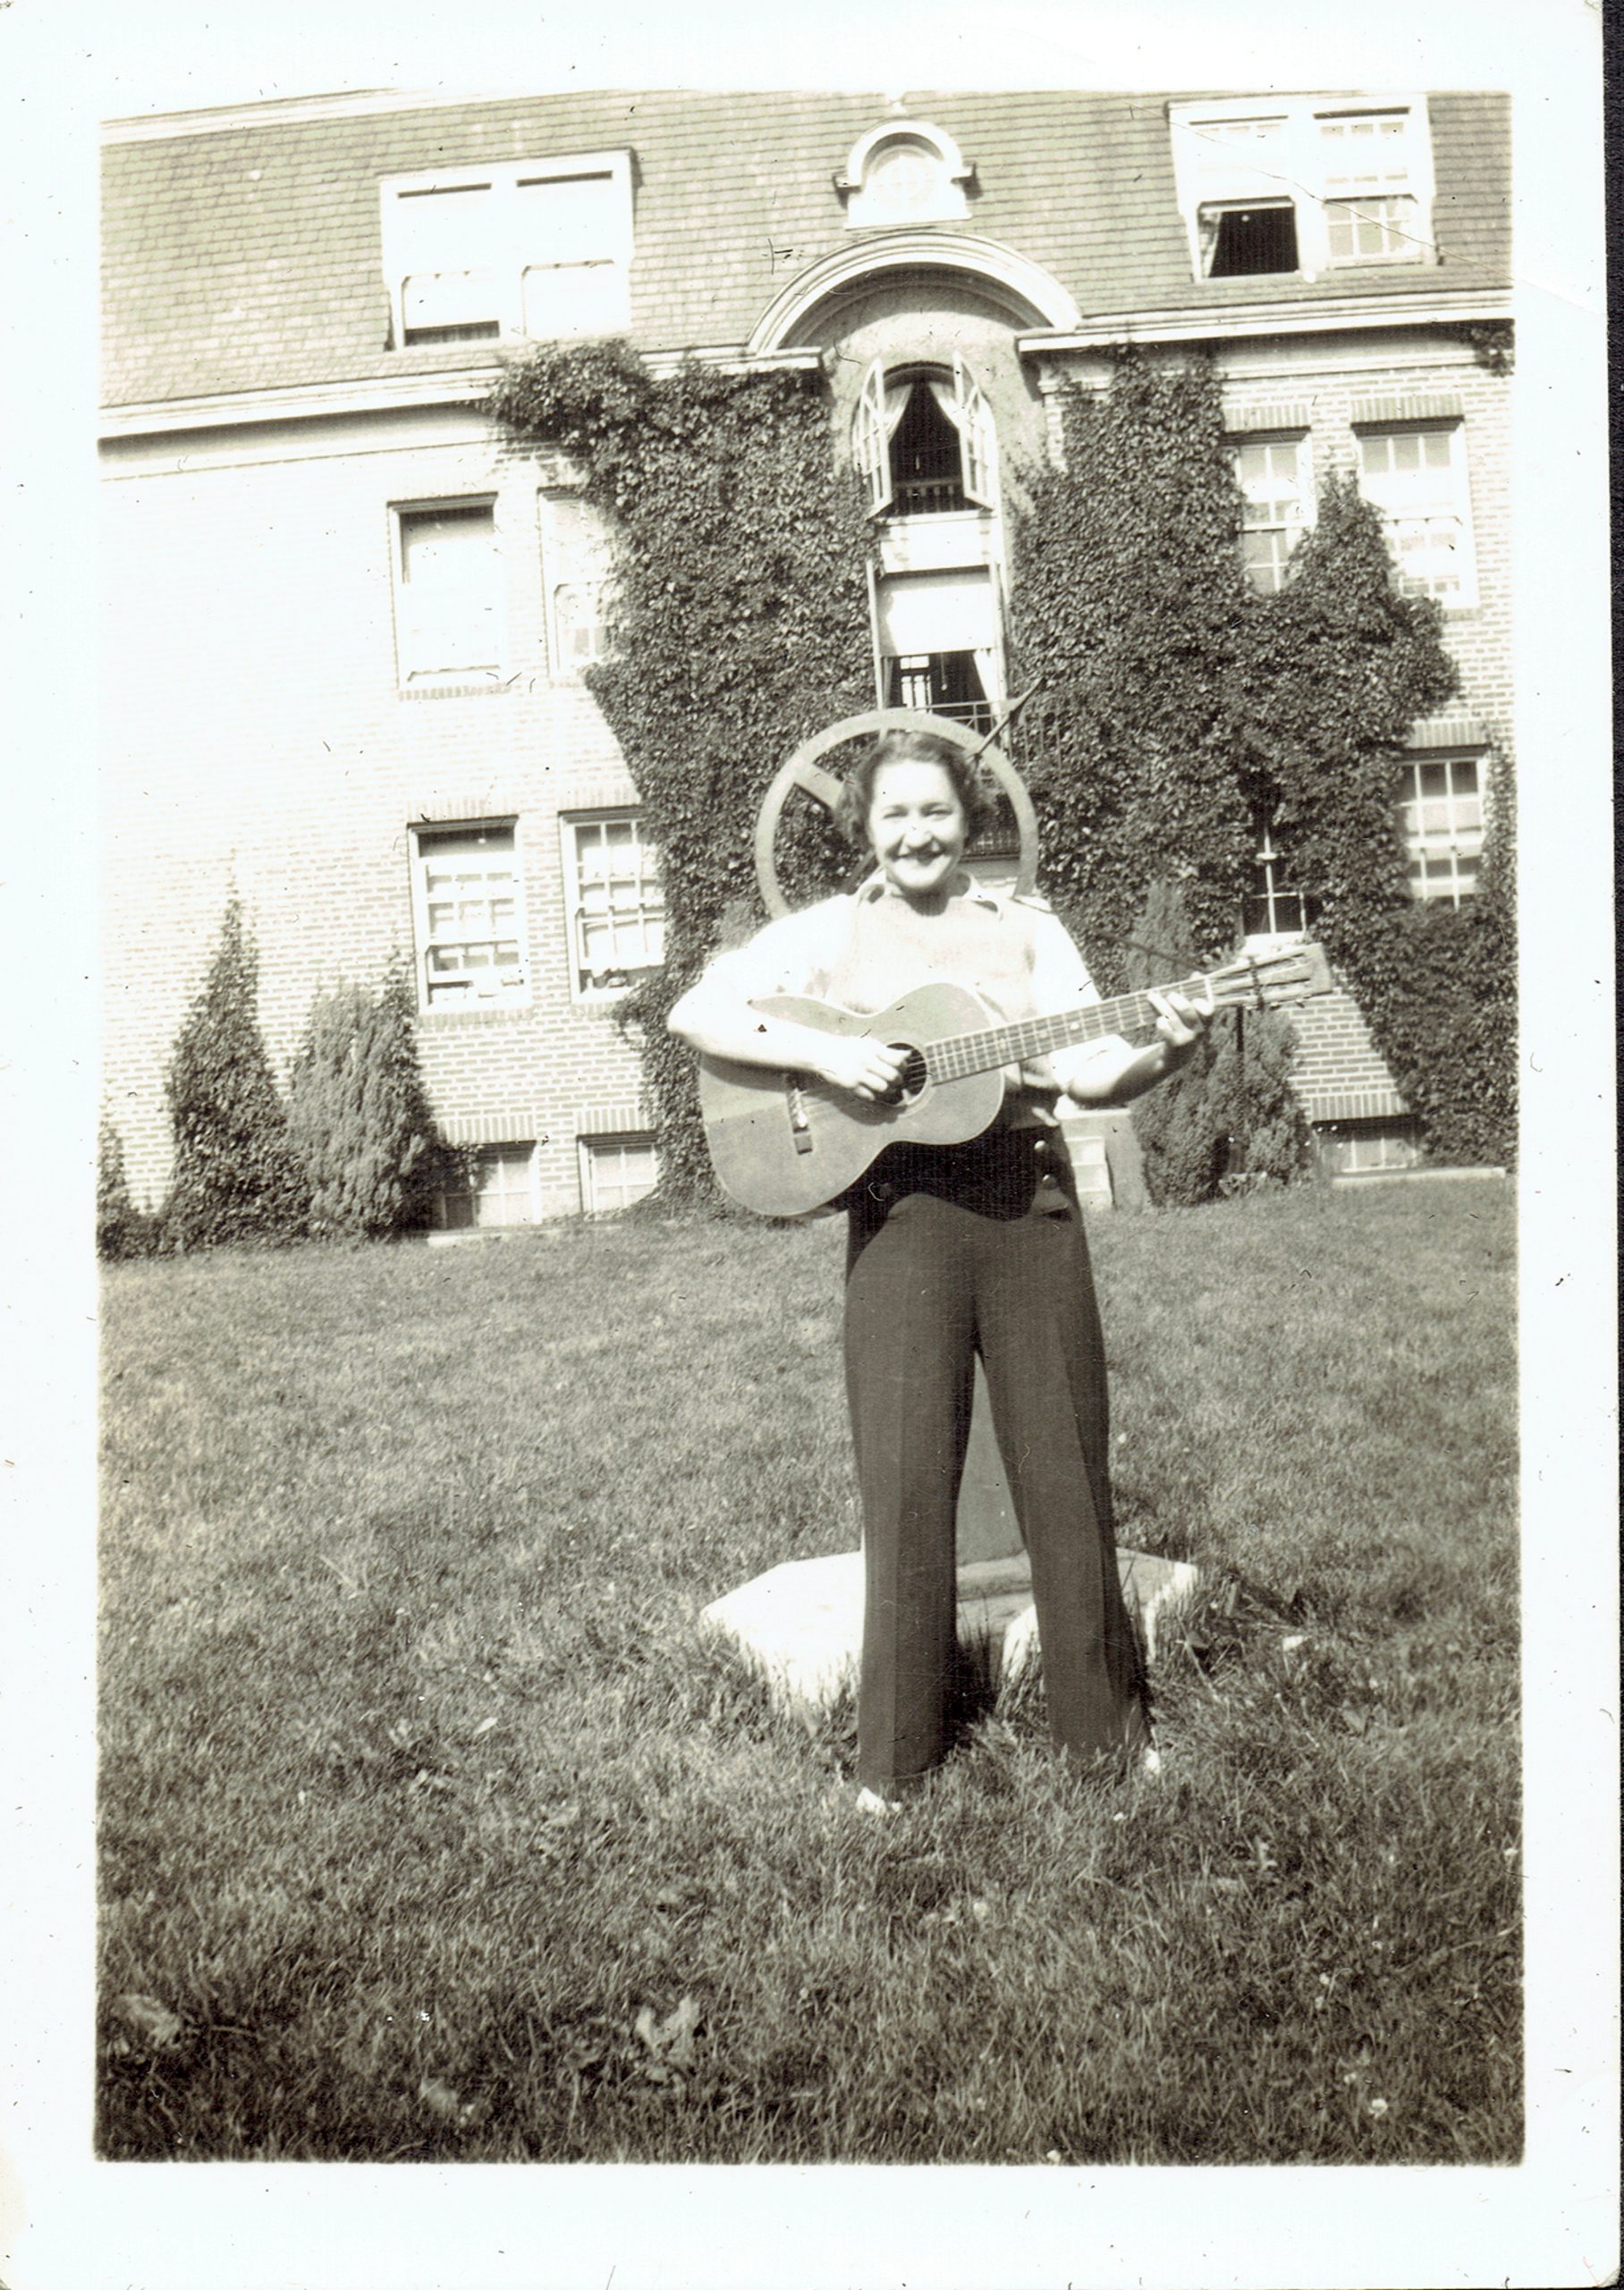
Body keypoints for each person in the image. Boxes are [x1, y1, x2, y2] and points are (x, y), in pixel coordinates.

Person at [668, 729, 1212, 1811]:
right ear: (865, 829)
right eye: (894, 815)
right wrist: (827, 1054)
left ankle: (1103, 1742)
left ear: (969, 821)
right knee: (906, 1475)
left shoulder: (1026, 930)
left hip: (1026, 1202)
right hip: (900, 1214)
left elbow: (1094, 1069)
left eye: (936, 813)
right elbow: (699, 1012)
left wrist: (1172, 1044)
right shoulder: (826, 934)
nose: (916, 833)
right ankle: (896, 1762)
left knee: (1063, 1467)